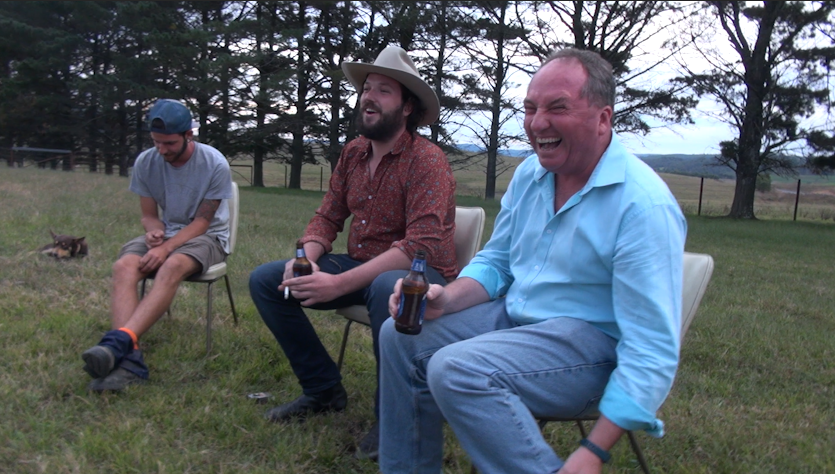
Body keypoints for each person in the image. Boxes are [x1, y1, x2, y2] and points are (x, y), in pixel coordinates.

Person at [378, 48, 687, 474]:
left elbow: (651, 348)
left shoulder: (643, 206)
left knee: (458, 368)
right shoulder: (530, 174)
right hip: (517, 320)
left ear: (603, 118)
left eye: (557, 108)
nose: (537, 123)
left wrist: (593, 452)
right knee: (400, 335)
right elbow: (499, 261)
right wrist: (444, 300)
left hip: (592, 349)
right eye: (529, 108)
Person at [248, 46, 457, 460]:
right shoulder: (354, 153)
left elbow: (419, 245)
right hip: (363, 265)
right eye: (366, 89)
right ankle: (323, 390)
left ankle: (392, 415)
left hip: (422, 278)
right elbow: (327, 216)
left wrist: (339, 283)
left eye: (383, 90)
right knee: (268, 280)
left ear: (407, 106)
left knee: (384, 287)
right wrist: (305, 256)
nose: (369, 97)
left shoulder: (427, 160)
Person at [81, 99, 233, 393]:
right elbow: (149, 216)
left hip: (209, 237)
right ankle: (129, 359)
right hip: (169, 233)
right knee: (124, 265)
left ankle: (116, 344)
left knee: (173, 264)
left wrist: (165, 249)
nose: (162, 150)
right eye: (156, 142)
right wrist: (154, 233)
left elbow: (202, 223)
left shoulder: (214, 163)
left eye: (169, 143)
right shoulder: (146, 162)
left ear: (189, 135)